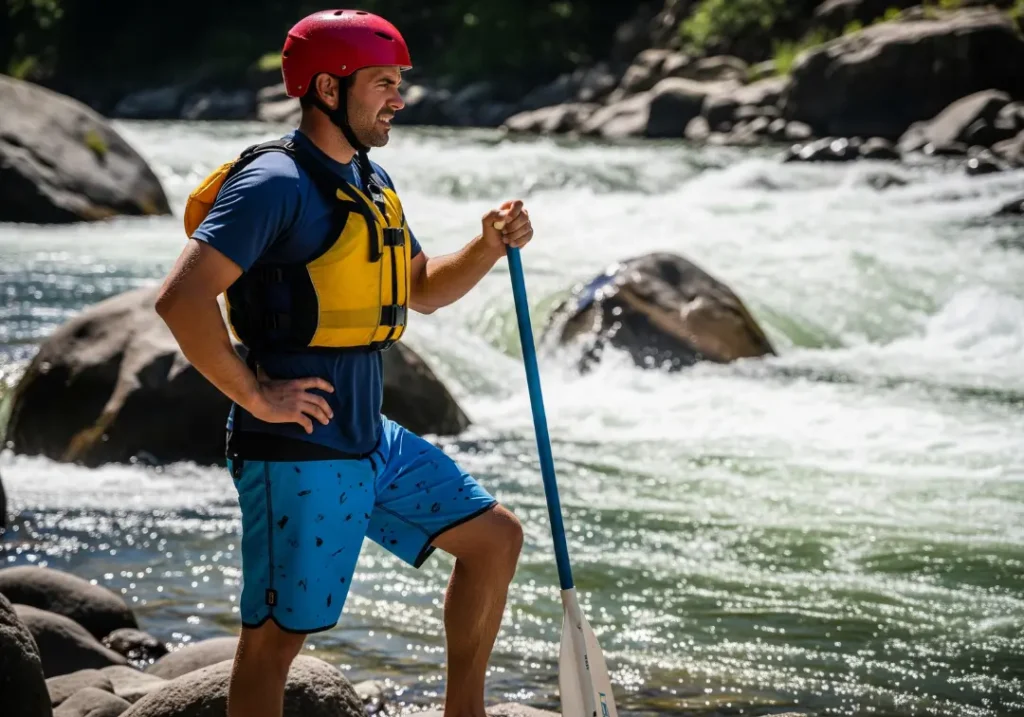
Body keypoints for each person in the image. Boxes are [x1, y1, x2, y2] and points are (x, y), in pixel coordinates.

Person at [155, 9, 534, 717]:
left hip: (367, 436)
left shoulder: (368, 176)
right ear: (329, 88)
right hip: (296, 449)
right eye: (385, 83)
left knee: (493, 539)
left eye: (400, 84)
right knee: (274, 640)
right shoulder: (273, 182)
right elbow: (181, 299)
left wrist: (486, 244)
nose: (399, 97)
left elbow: (421, 288)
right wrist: (256, 394)